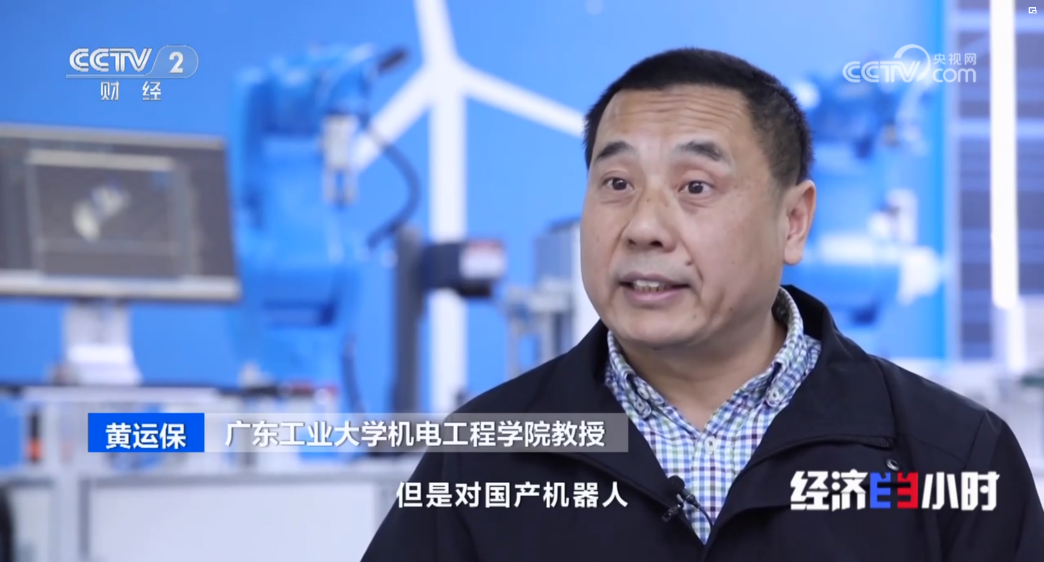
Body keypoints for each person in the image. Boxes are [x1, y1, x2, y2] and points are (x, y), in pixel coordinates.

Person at [362, 48, 1044, 561]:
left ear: (794, 222)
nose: (643, 226)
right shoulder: (481, 458)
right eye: (617, 182)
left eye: (695, 186)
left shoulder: (951, 458)